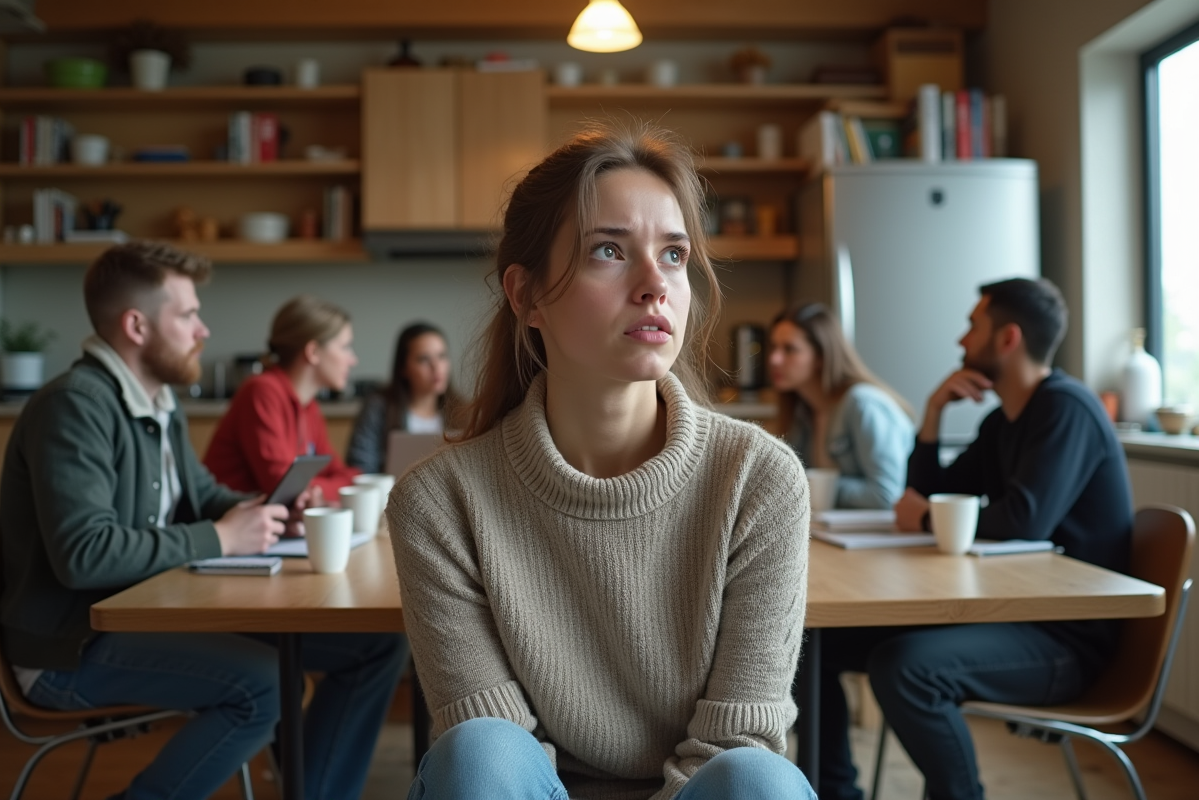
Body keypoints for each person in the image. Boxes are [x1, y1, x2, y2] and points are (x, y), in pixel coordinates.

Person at [386, 123, 817, 800]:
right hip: (529, 787)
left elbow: (735, 745)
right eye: (609, 251)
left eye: (673, 255)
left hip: (699, 790)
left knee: (759, 781)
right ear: (526, 296)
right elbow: (494, 754)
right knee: (479, 754)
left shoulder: (759, 478)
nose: (655, 285)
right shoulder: (441, 501)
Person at [0, 241, 408, 800]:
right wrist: (221, 535)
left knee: (377, 646)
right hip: (70, 645)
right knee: (265, 685)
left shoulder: (157, 401)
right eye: (189, 314)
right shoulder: (75, 406)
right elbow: (83, 553)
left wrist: (259, 513)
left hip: (148, 611)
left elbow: (201, 495)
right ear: (137, 326)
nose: (203, 330)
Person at [818, 277, 1134, 800]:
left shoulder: (1067, 408)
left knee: (907, 669)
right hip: (1010, 613)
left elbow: (1022, 521)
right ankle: (834, 793)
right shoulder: (1003, 423)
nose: (962, 342)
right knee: (815, 643)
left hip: (1066, 640)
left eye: (973, 326)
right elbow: (919, 499)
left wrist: (924, 517)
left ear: (1007, 339)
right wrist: (934, 414)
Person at [204, 295, 361, 500]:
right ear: (313, 352)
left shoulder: (308, 405)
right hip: (231, 523)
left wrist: (318, 490)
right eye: (344, 347)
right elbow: (285, 487)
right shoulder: (262, 392)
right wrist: (330, 489)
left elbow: (341, 473)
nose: (353, 360)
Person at [767, 303, 914, 508]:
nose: (774, 359)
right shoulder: (802, 412)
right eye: (773, 347)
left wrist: (815, 485)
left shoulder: (863, 404)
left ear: (820, 356)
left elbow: (886, 496)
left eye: (790, 349)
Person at [346, 322, 461, 474]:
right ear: (404, 368)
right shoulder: (378, 408)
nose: (437, 367)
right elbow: (360, 466)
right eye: (423, 359)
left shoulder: (463, 412)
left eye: (442, 356)